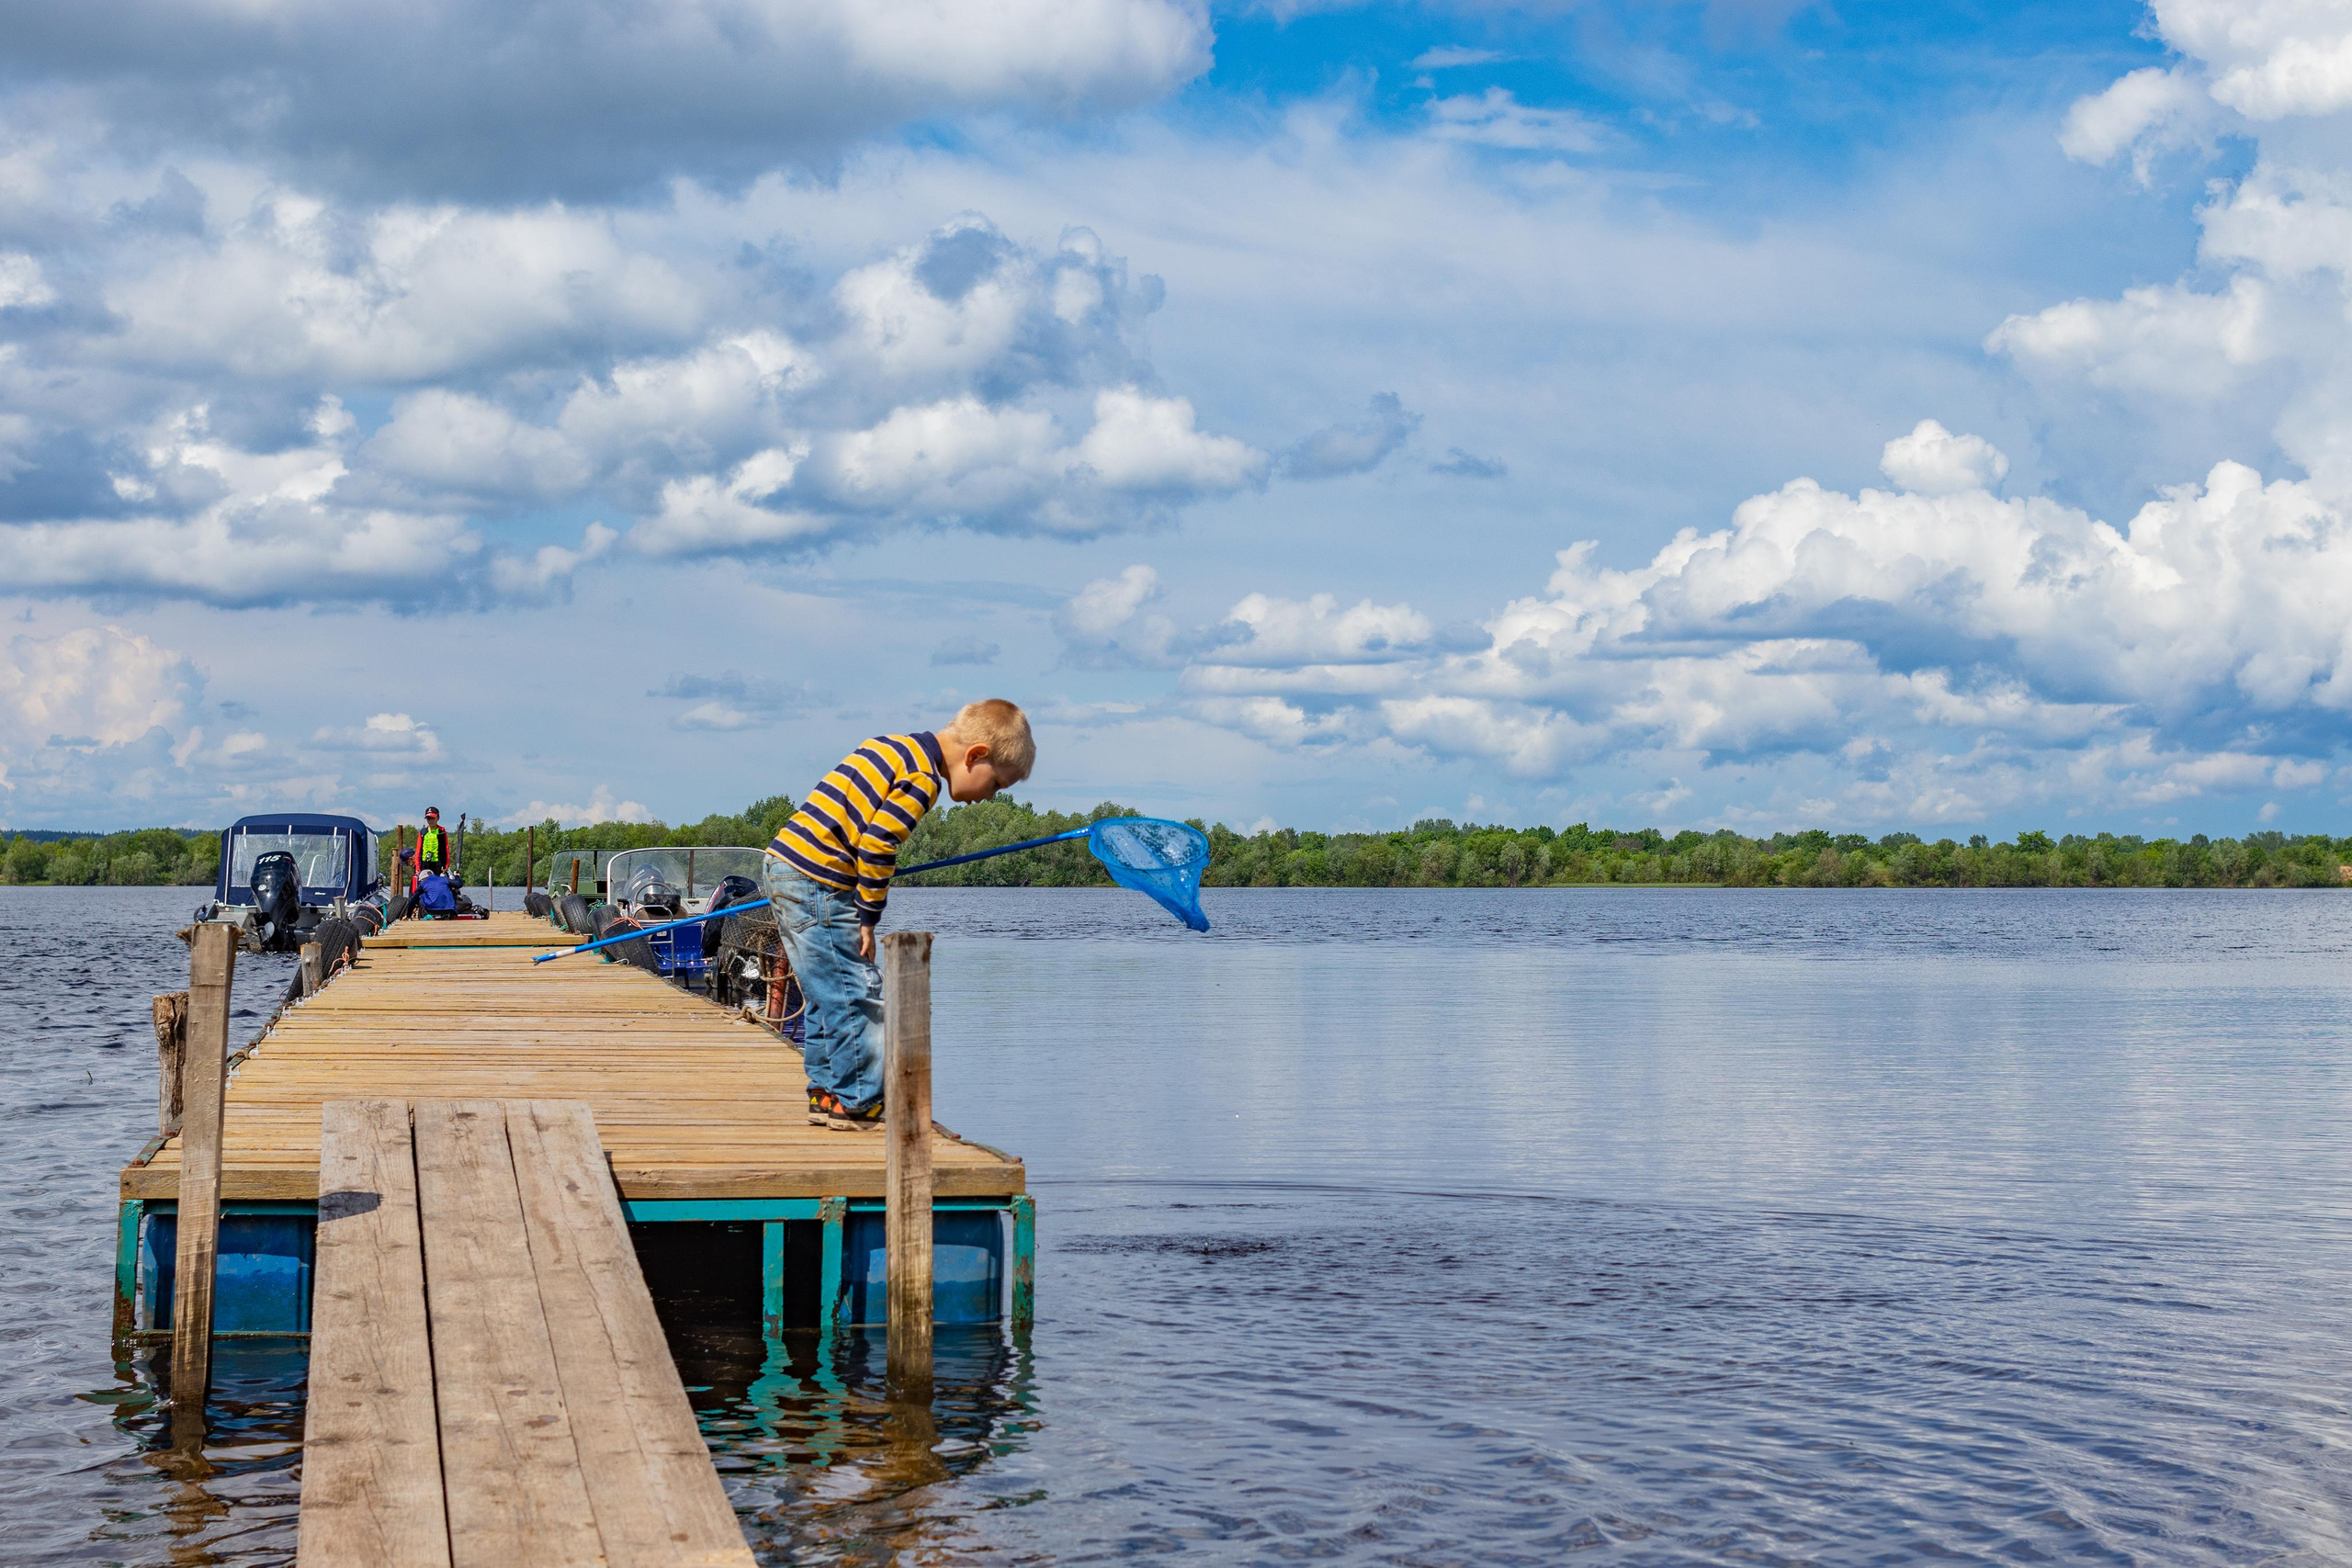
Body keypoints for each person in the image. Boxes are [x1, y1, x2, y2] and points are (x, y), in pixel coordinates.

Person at [763, 699, 1034, 1130]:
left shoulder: (890, 746)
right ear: (975, 755)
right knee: (856, 990)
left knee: (824, 989)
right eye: (996, 784)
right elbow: (877, 845)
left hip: (786, 864)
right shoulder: (921, 779)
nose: (988, 797)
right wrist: (868, 916)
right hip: (819, 879)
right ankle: (861, 1100)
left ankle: (826, 1091)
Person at [413, 807, 454, 877]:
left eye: (433, 818)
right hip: (425, 863)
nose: (431, 821)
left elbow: (446, 849)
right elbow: (418, 850)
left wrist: (446, 865)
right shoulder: (423, 832)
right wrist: (417, 867)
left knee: (438, 883)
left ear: (438, 818)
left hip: (438, 863)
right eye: (429, 818)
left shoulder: (441, 831)